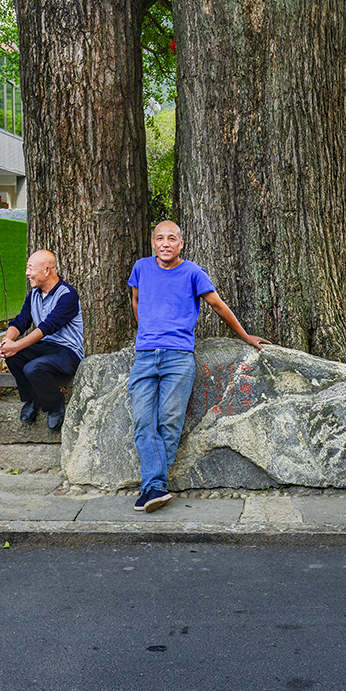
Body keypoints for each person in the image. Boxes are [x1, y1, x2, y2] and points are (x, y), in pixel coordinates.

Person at [128, 219, 268, 513]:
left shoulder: (193, 272)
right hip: (144, 355)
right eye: (160, 239)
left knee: (169, 422)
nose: (165, 244)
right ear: (154, 243)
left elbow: (218, 305)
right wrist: (149, 332)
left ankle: (152, 486)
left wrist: (244, 336)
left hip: (178, 357)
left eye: (172, 239)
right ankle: (156, 486)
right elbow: (137, 301)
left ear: (182, 243)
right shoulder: (141, 267)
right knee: (143, 420)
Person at [0, 250, 84, 431]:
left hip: (68, 352)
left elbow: (47, 327)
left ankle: (55, 405)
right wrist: (7, 343)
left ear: (46, 271)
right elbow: (21, 321)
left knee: (32, 367)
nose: (27, 273)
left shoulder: (67, 295)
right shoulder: (34, 294)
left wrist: (17, 345)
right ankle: (32, 397)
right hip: (45, 348)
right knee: (13, 357)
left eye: (30, 268)